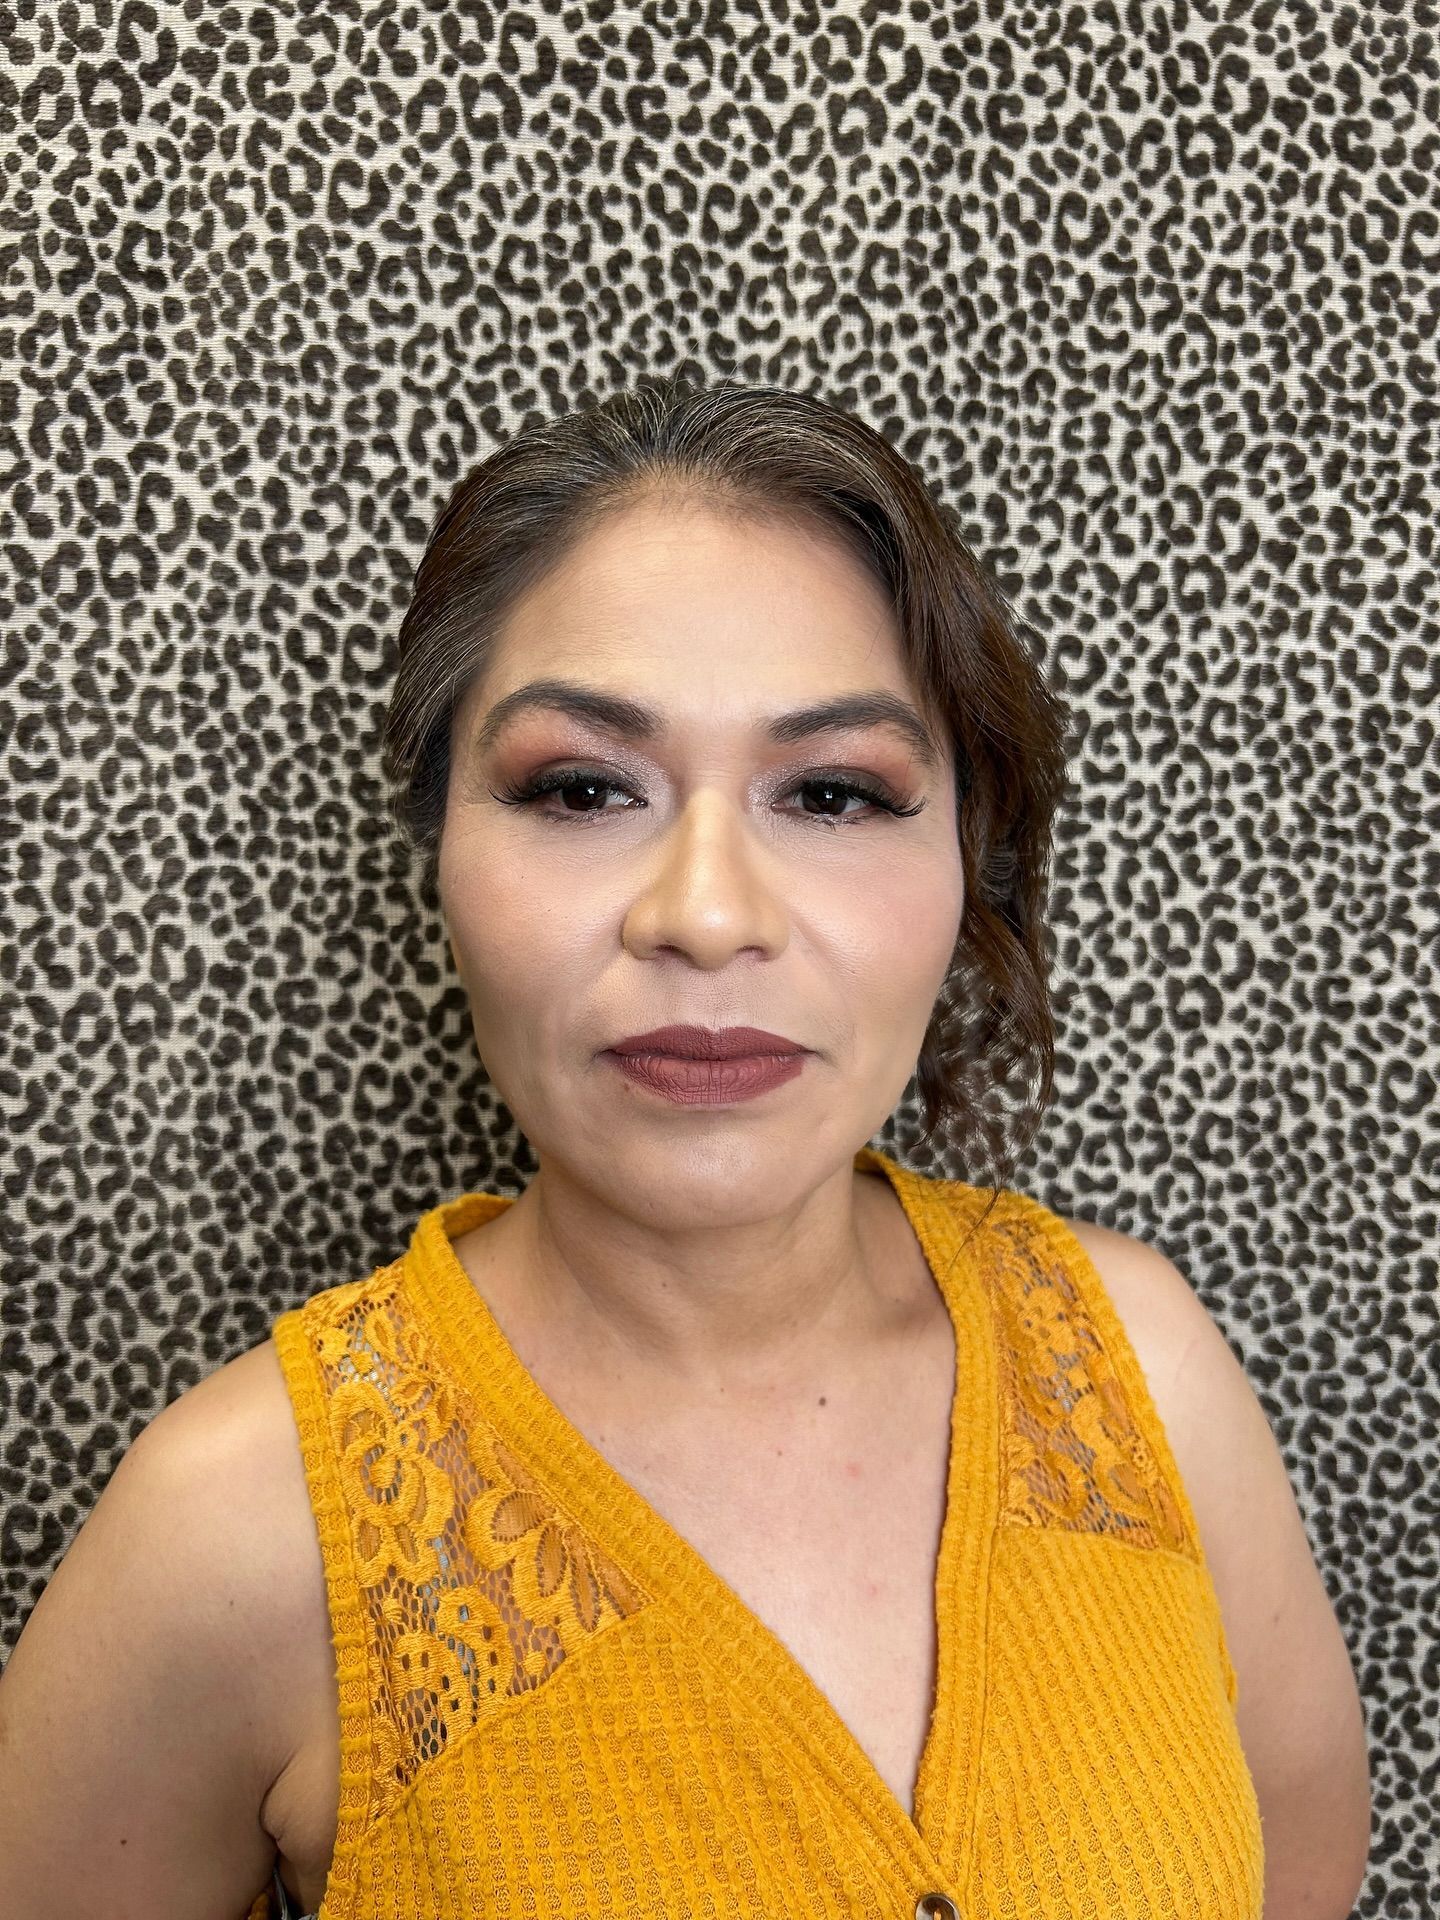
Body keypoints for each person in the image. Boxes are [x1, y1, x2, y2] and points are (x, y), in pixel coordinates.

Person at [0, 378, 1370, 1920]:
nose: (706, 915)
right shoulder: (238, 1532)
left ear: (966, 860)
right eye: (582, 789)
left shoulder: (1145, 1371)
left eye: (836, 793)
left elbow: (1301, 1869)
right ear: (438, 848)